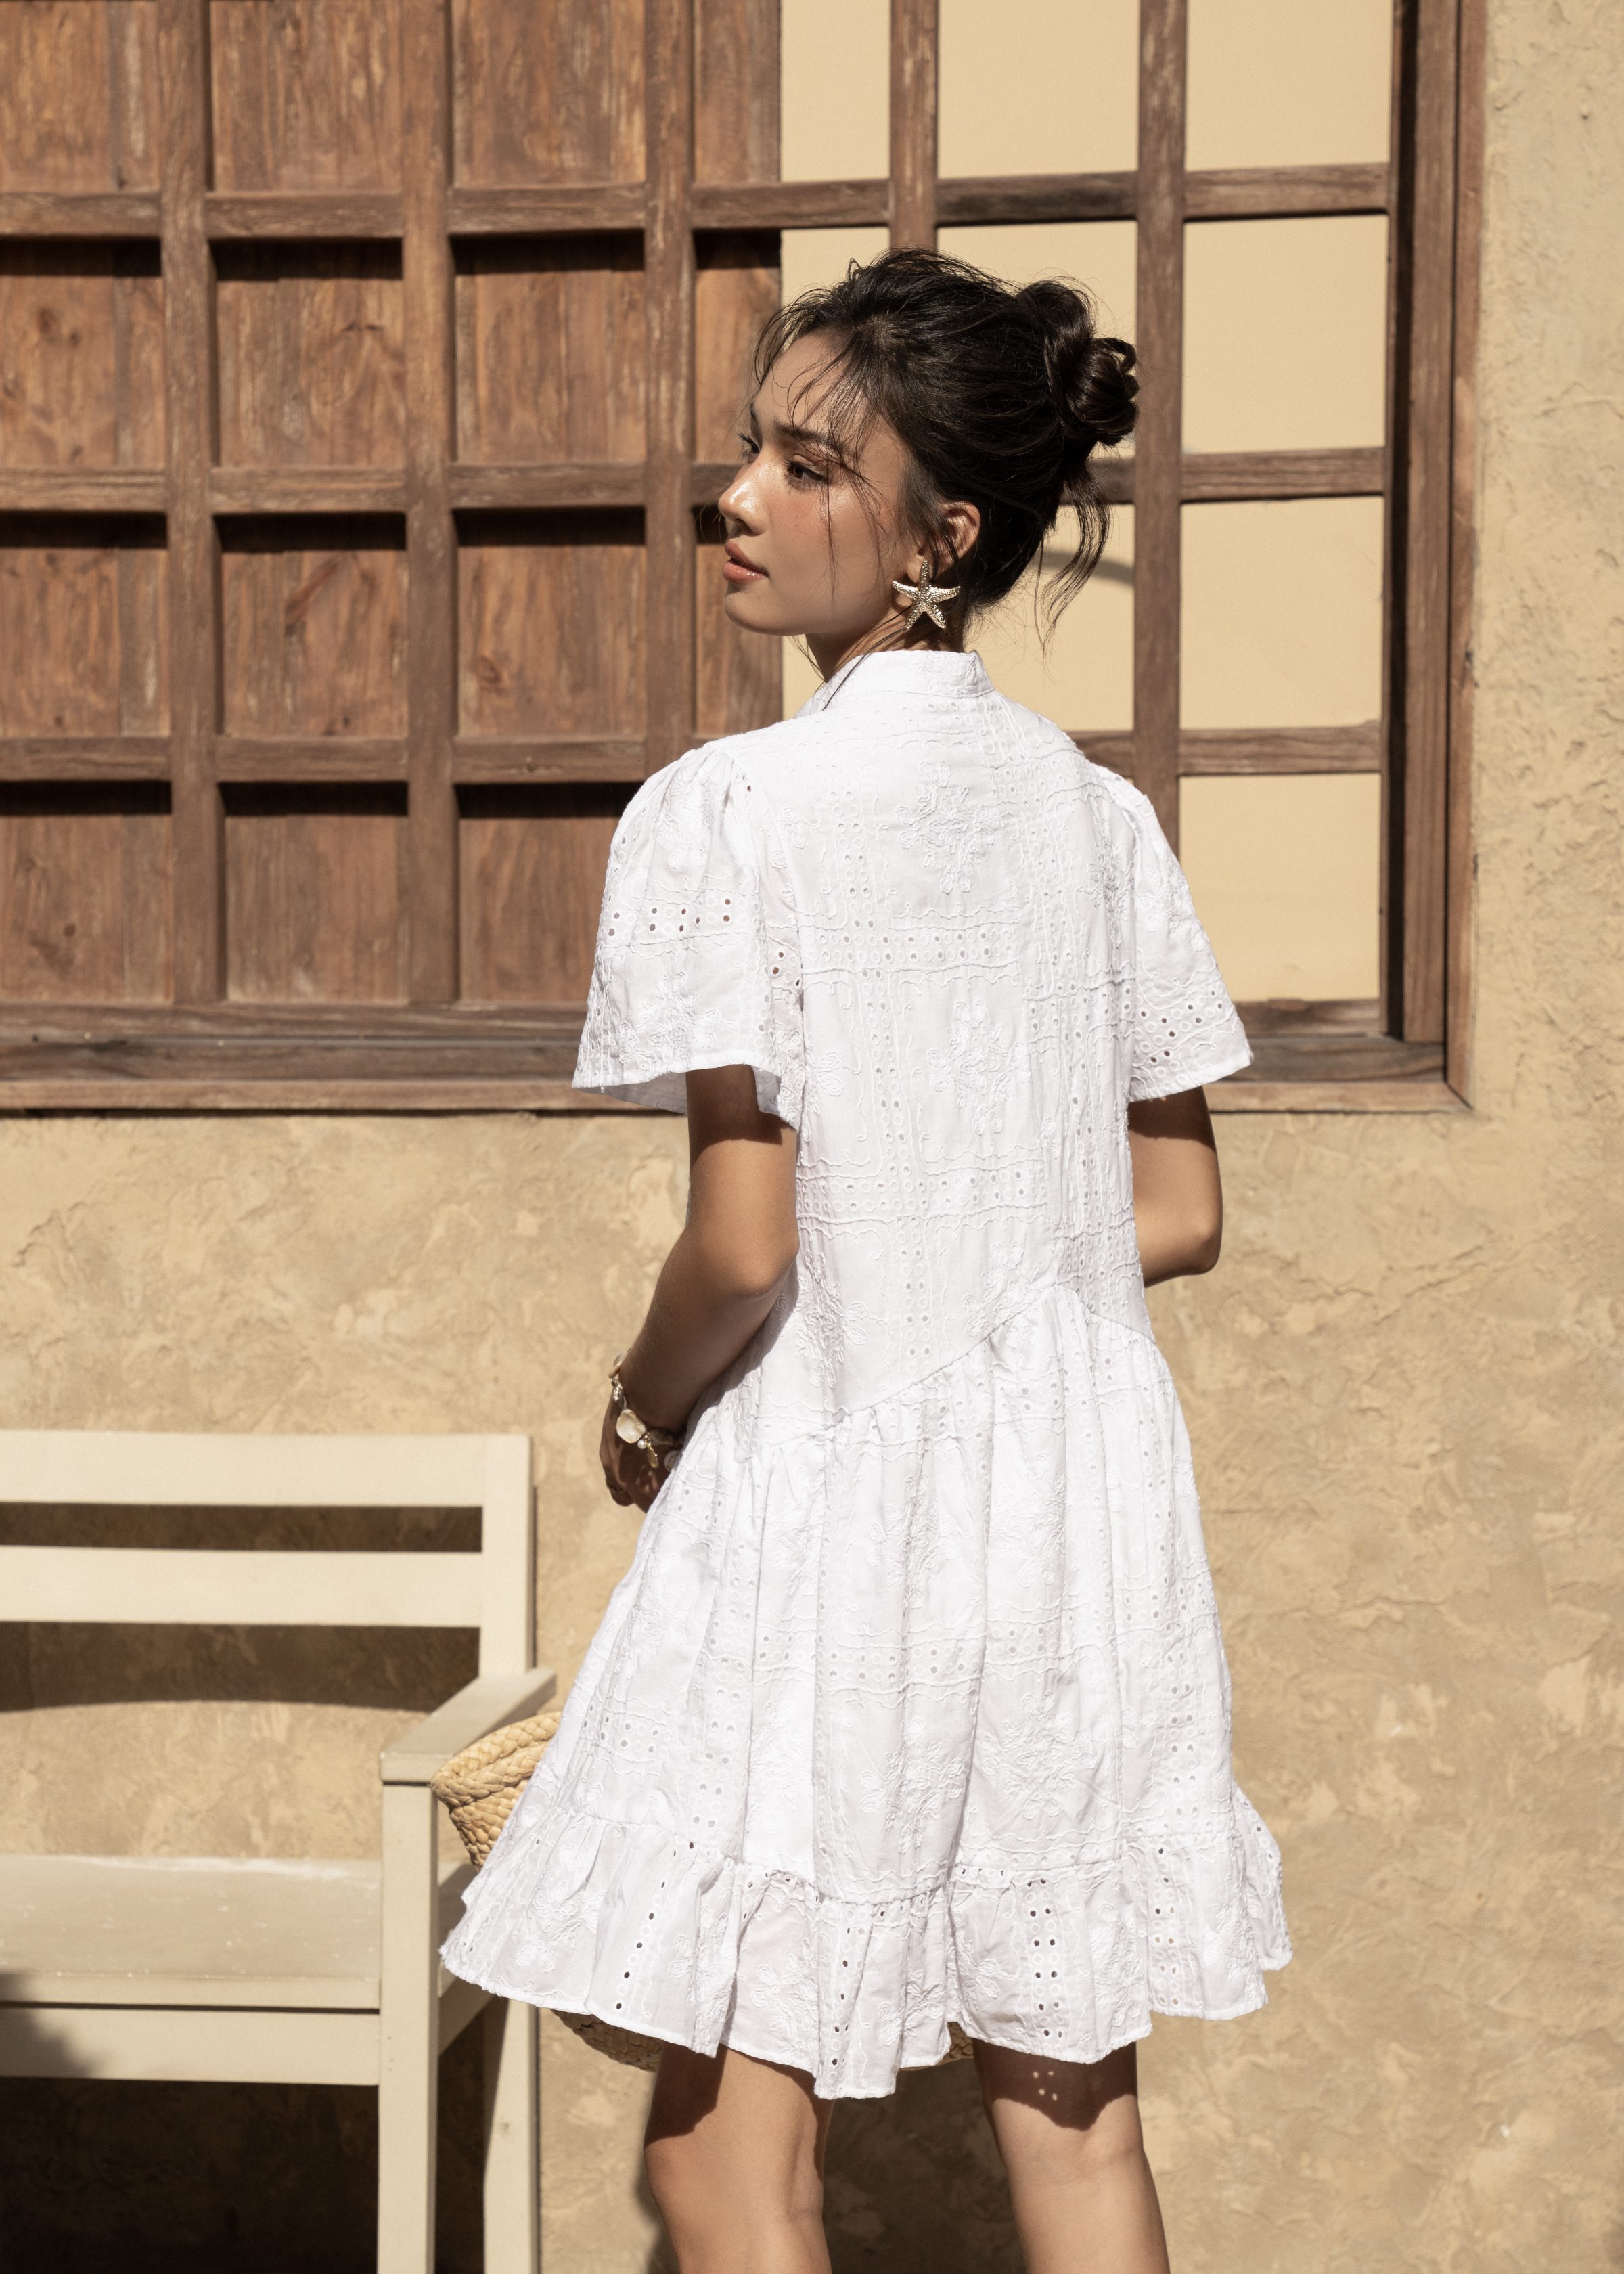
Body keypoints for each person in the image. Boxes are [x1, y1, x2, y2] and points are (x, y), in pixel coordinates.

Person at [441, 248, 1290, 2274]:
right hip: (1072, 1525)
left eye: (807, 468)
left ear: (943, 537)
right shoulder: (1097, 821)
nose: (736, 498)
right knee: (1076, 2136)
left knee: (724, 2168)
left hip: (827, 1515)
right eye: (751, 450)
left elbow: (747, 1246)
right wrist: (986, 1257)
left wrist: (642, 1405)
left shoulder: (730, 810)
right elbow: (1177, 1207)